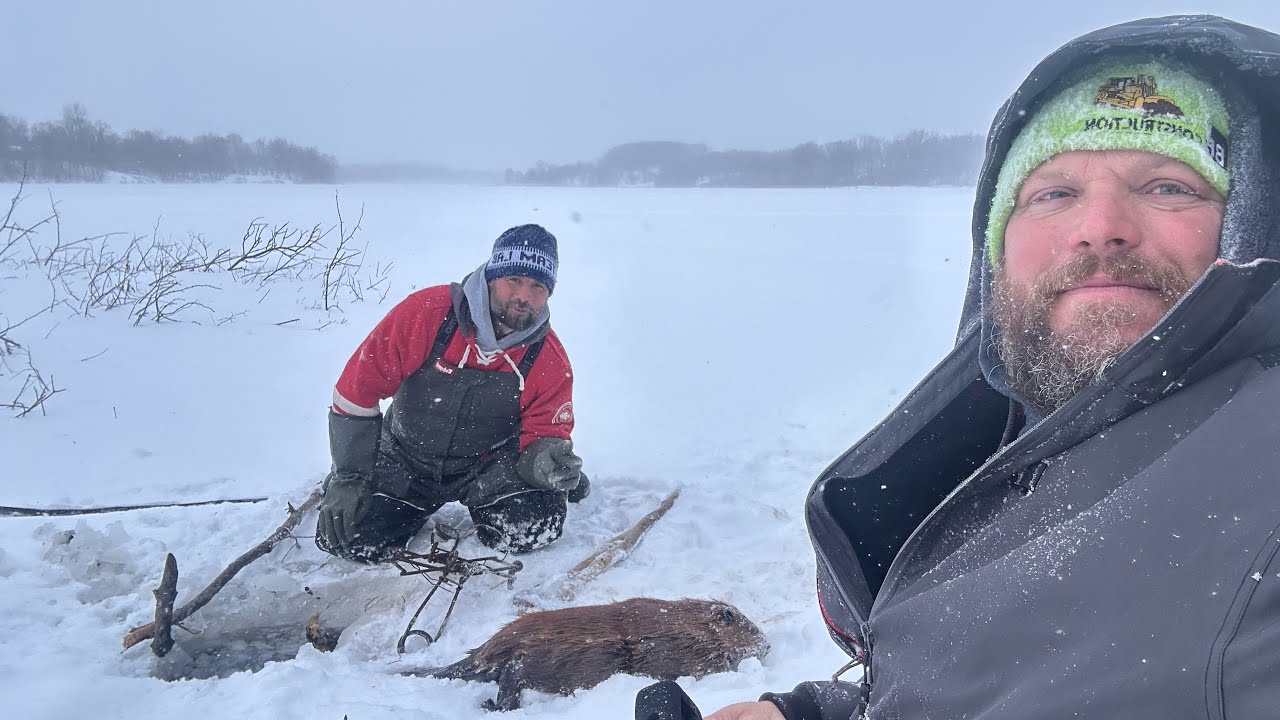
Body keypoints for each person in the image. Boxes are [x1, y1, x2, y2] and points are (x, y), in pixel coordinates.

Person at [708, 15, 1280, 720]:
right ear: (995, 253)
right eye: (1053, 194)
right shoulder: (1024, 427)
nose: (1099, 225)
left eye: (1167, 186)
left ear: (1255, 222)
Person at [315, 224, 588, 563]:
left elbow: (545, 433)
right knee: (349, 537)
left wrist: (547, 465)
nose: (524, 296)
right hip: (405, 456)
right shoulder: (425, 313)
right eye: (513, 280)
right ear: (491, 278)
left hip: (489, 466)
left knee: (535, 525)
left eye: (538, 286)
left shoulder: (549, 358)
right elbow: (355, 393)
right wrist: (349, 476)